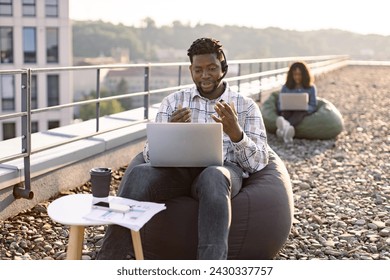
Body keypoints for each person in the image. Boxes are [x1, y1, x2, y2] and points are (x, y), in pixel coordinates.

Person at [96, 37, 269, 260]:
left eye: (212, 68)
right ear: (190, 70)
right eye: (198, 70)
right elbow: (149, 155)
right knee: (139, 173)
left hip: (223, 171)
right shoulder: (173, 101)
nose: (205, 75)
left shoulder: (245, 106)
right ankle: (109, 261)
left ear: (223, 68)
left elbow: (259, 162)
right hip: (176, 172)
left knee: (213, 176)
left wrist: (236, 134)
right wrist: (169, 131)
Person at [276, 61, 318, 143]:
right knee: (285, 112)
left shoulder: (311, 88)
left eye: (299, 74)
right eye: (295, 74)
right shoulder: (286, 87)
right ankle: (287, 131)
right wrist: (282, 106)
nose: (297, 77)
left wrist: (305, 107)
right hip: (287, 111)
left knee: (300, 112)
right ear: (291, 75)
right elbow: (279, 103)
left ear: (305, 75)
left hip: (302, 112)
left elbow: (313, 105)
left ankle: (284, 128)